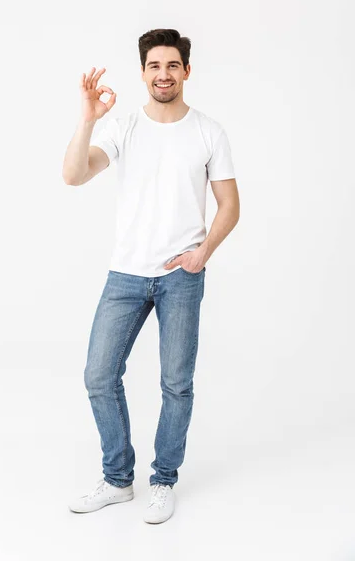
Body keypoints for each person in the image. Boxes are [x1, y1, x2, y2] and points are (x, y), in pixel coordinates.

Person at [63, 28, 240, 524]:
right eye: (154, 66)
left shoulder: (209, 131)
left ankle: (163, 480)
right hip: (126, 273)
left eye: (172, 65)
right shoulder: (123, 127)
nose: (163, 74)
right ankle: (119, 479)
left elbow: (230, 204)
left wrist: (201, 253)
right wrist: (87, 119)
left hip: (181, 276)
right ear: (143, 72)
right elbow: (73, 175)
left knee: (176, 384)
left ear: (186, 70)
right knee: (98, 375)